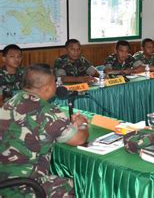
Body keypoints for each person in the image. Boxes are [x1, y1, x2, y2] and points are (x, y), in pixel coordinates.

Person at [0, 64, 89, 197]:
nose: (56, 86)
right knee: (81, 185)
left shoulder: (9, 103)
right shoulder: (49, 112)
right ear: (47, 88)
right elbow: (79, 139)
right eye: (55, 82)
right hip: (26, 186)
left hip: (4, 180)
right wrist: (83, 124)